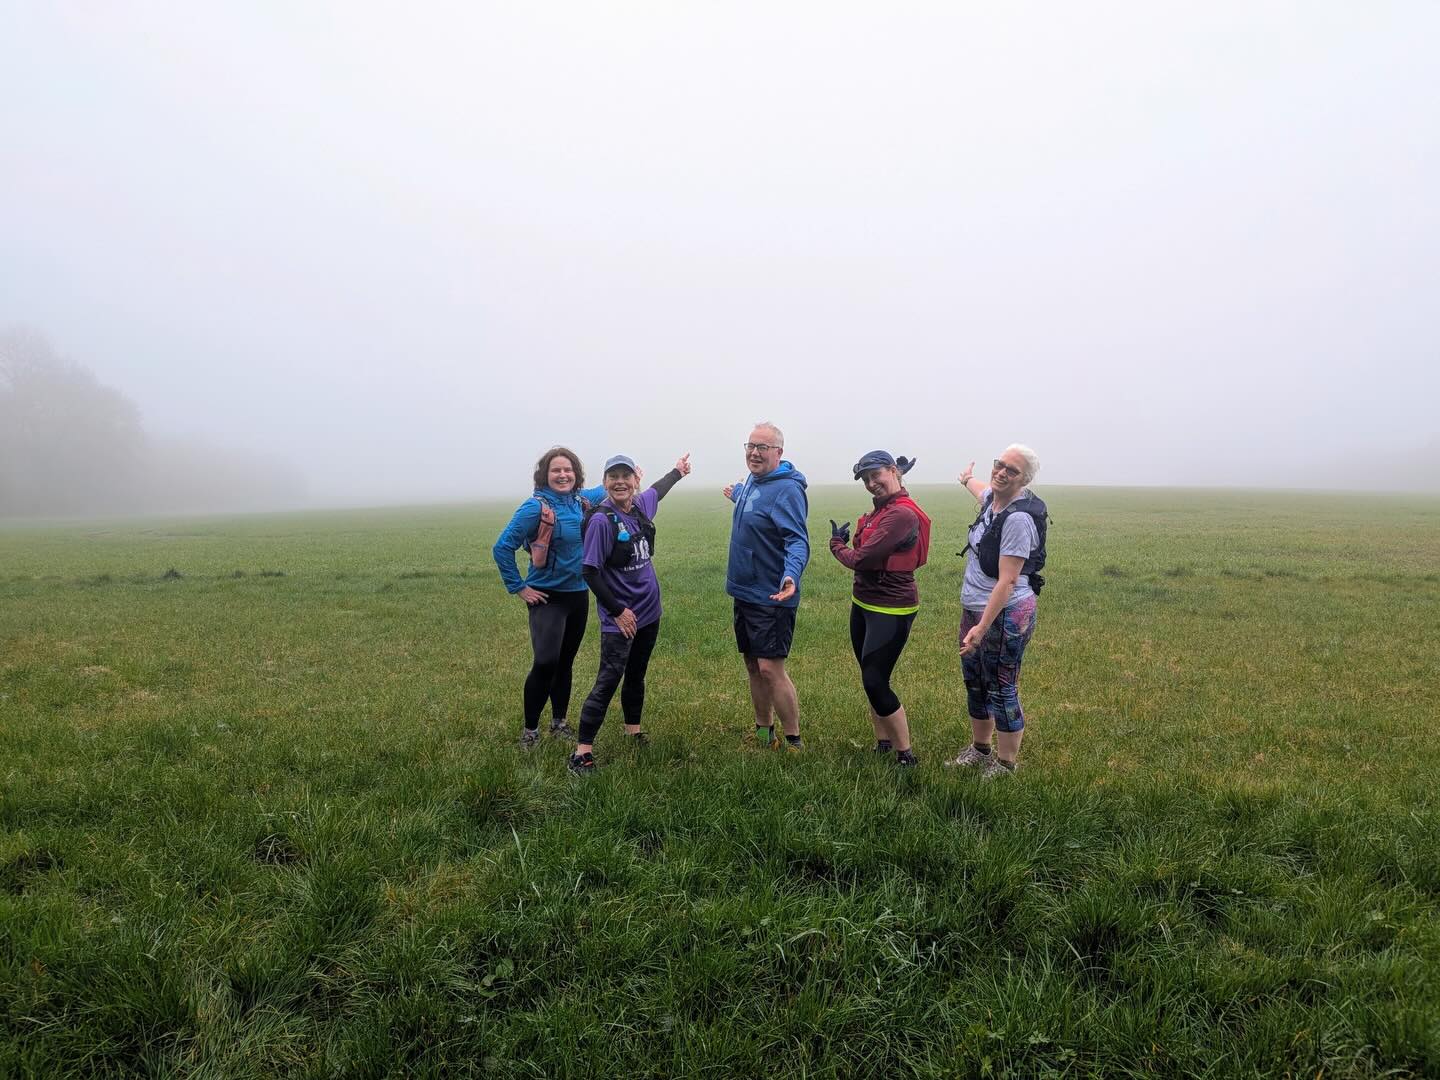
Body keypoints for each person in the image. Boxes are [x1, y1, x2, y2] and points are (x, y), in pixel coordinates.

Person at [567, 452, 692, 773]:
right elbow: (590, 571)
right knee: (608, 679)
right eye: (613, 477)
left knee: (636, 675)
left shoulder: (639, 506)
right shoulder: (601, 520)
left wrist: (678, 471)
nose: (620, 482)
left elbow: (658, 490)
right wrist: (618, 611)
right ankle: (582, 751)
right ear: (605, 482)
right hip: (620, 619)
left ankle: (632, 730)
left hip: (650, 612)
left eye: (626, 476)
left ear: (635, 480)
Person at [946, 444, 1048, 779]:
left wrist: (982, 626)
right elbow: (983, 491)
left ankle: (1005, 764)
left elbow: (1007, 582)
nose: (1002, 472)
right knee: (974, 680)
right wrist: (967, 479)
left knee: (1001, 684)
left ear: (1025, 480)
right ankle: (979, 749)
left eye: (1012, 470)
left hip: (1005, 613)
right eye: (999, 465)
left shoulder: (1018, 519)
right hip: (975, 607)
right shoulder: (994, 499)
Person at [492, 447, 605, 748]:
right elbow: (502, 547)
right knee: (546, 661)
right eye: (556, 470)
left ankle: (559, 723)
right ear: (545, 475)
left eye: (568, 470)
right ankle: (530, 731)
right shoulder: (534, 508)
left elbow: (606, 487)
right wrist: (519, 587)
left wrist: (642, 474)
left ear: (576, 474)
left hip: (578, 596)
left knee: (565, 662)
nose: (563, 475)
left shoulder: (582, 502)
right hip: (547, 598)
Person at [828, 450, 931, 767]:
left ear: (893, 471)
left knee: (876, 680)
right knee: (868, 676)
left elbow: (861, 559)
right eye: (866, 479)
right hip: (863, 603)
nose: (872, 484)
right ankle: (883, 744)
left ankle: (906, 756)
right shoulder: (881, 511)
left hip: (891, 609)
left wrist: (836, 545)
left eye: (877, 476)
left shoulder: (901, 515)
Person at [724, 422, 809, 749]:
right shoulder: (753, 480)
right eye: (750, 446)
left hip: (772, 593)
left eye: (762, 448)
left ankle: (794, 741)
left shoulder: (787, 489)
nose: (754, 453)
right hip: (744, 591)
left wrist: (792, 574)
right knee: (751, 664)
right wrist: (738, 496)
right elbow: (761, 514)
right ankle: (764, 733)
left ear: (779, 453)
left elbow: (797, 540)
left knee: (770, 669)